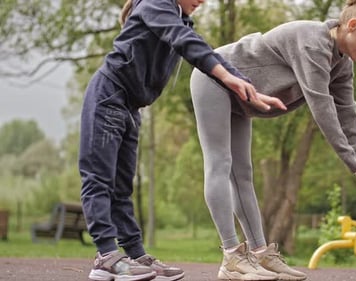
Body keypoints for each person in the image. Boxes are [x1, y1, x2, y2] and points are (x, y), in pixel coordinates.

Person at [189, 0, 356, 280]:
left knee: (243, 175)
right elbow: (321, 107)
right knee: (220, 163)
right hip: (214, 78)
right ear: (352, 26)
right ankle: (232, 257)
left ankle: (260, 254)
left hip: (241, 97)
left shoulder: (342, 63)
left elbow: (347, 110)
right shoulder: (313, 42)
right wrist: (351, 162)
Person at [78, 0, 273, 281]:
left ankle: (135, 255)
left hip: (130, 107)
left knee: (122, 188)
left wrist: (248, 88)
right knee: (99, 180)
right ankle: (106, 257)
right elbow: (187, 45)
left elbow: (208, 54)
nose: (203, 1)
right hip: (107, 97)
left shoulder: (181, 20)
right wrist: (230, 81)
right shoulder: (156, 3)